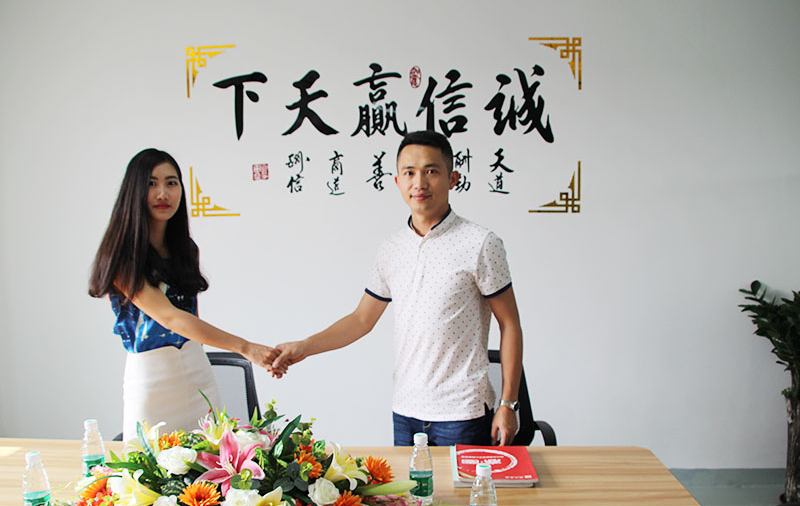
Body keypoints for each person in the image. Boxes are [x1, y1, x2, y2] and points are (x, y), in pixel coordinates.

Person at [272, 131, 523, 446]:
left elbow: (510, 324)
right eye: (409, 173)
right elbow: (361, 320)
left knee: (461, 483)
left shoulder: (480, 242)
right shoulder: (391, 249)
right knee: (408, 483)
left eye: (431, 171)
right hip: (405, 412)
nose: (420, 183)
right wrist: (304, 347)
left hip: (463, 412)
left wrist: (508, 403)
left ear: (453, 179)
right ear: (397, 182)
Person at [89, 148, 279, 440]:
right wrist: (245, 347)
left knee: (211, 460)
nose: (163, 193)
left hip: (197, 373)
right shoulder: (122, 256)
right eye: (151, 183)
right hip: (151, 380)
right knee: (149, 465)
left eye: (171, 183)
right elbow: (171, 318)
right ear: (134, 190)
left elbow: (192, 319)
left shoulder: (186, 249)